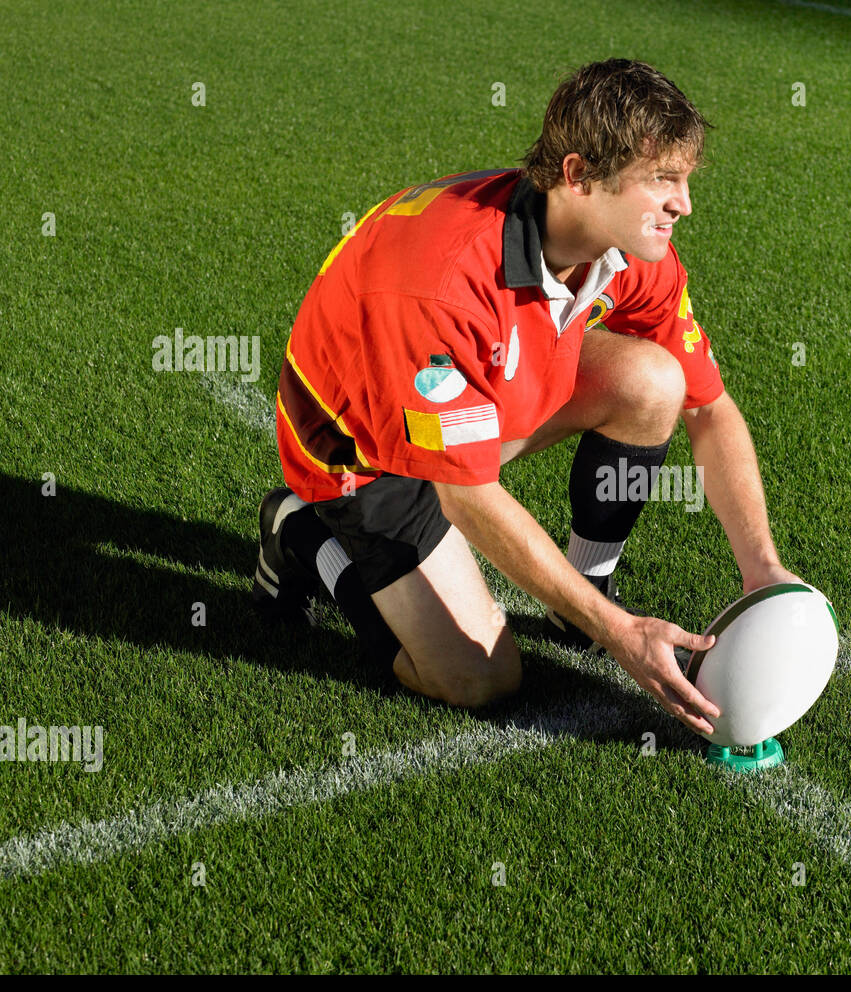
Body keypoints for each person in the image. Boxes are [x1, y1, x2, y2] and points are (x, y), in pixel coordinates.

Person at [253, 58, 799, 738]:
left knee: (656, 379)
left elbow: (708, 409)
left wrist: (763, 567)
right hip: (360, 446)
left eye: (684, 179)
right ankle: (302, 531)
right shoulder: (445, 281)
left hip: (472, 400)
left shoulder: (626, 251)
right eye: (663, 180)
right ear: (577, 176)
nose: (683, 203)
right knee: (479, 677)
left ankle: (583, 595)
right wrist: (622, 635)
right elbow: (466, 494)